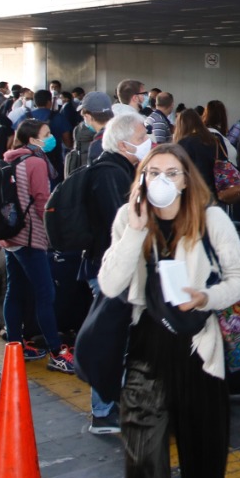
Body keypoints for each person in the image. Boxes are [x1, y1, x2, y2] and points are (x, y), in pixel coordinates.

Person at [99, 143, 240, 478]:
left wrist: (206, 297)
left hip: (200, 352)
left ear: (186, 181)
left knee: (204, 467)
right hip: (145, 353)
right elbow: (110, 283)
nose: (162, 180)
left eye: (171, 173)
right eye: (153, 173)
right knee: (144, 468)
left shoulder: (210, 218)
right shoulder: (127, 218)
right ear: (141, 179)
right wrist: (135, 231)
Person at [82, 113, 151, 435]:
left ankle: (115, 404)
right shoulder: (110, 174)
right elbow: (120, 226)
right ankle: (103, 411)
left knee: (120, 340)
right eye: (141, 137)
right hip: (109, 271)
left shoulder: (121, 168)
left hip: (116, 268)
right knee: (109, 341)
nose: (146, 141)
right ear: (123, 143)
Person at [1, 119, 77, 373]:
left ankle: (15, 344)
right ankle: (57, 352)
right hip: (30, 238)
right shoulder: (35, 162)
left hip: (10, 236)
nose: (51, 137)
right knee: (46, 294)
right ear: (33, 140)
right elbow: (42, 202)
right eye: (46, 134)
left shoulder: (12, 158)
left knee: (15, 290)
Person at [175, 109, 219, 195]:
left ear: (181, 125)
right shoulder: (213, 139)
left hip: (193, 190)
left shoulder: (184, 143)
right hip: (214, 188)